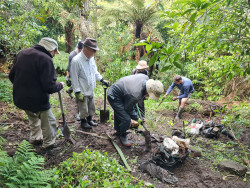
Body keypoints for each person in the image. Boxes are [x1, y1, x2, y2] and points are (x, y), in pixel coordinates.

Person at [9, 37, 65, 150]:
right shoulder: (45, 59)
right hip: (37, 99)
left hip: (20, 97)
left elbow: (11, 76)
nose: (54, 55)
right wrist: (60, 85)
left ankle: (36, 138)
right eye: (55, 52)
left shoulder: (22, 53)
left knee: (33, 118)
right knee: (49, 121)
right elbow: (49, 87)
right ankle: (49, 144)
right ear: (51, 49)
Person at [107, 74, 164, 147]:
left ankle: (118, 130)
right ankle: (123, 135)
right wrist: (137, 119)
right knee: (126, 119)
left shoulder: (145, 77)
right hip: (114, 95)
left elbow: (132, 100)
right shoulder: (135, 94)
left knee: (120, 113)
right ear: (147, 91)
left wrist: (134, 102)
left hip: (123, 92)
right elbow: (128, 109)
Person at [70, 38, 109, 129]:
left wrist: (101, 79)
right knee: (83, 107)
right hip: (82, 89)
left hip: (90, 87)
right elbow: (74, 77)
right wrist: (77, 91)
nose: (94, 52)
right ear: (86, 48)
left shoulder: (91, 58)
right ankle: (83, 121)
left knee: (91, 106)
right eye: (93, 50)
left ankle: (90, 119)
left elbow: (95, 71)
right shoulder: (76, 60)